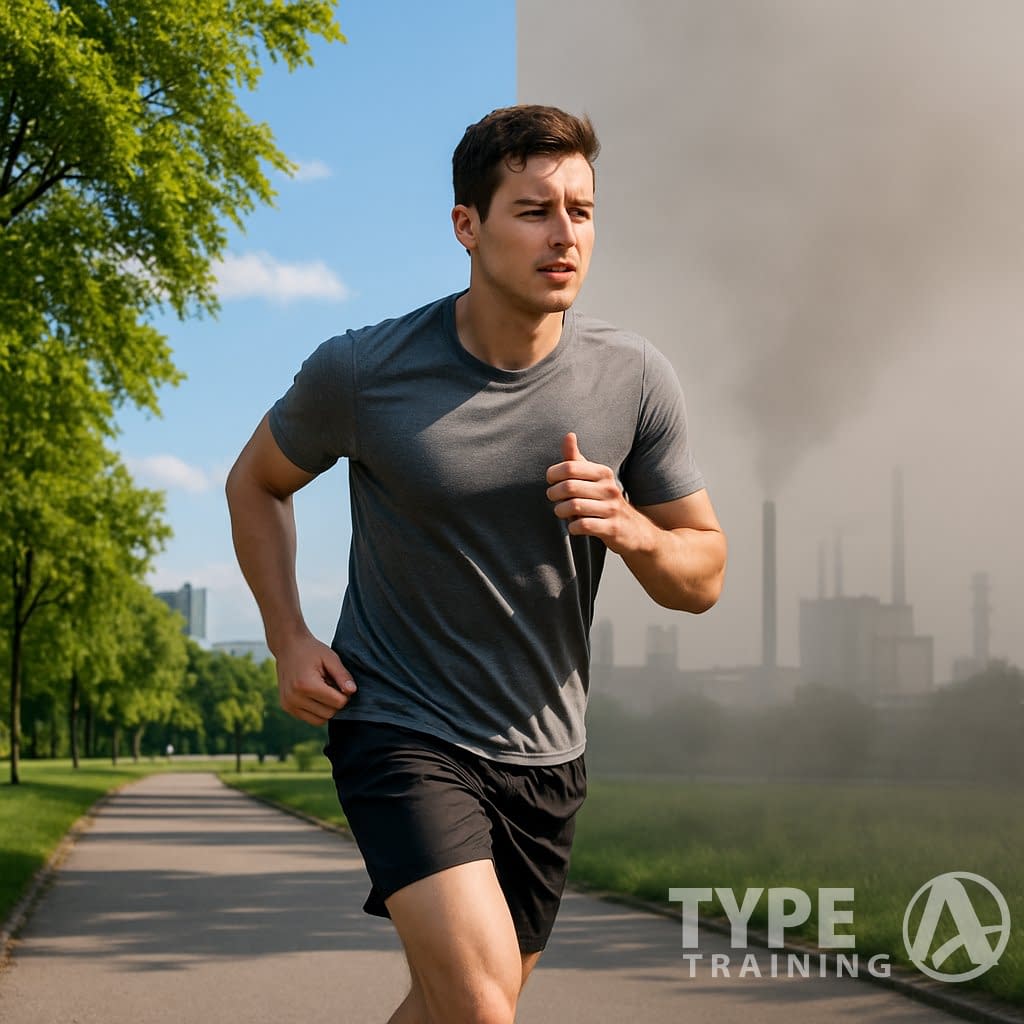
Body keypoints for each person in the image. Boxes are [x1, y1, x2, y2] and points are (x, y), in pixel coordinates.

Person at [225, 104, 726, 1024]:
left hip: (547, 751)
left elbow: (704, 574)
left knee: (453, 1006)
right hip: (400, 728)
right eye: (535, 210)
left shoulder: (635, 379)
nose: (565, 234)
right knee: (482, 1011)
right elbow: (255, 483)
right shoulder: (363, 372)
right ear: (468, 225)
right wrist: (288, 638)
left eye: (582, 209)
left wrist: (635, 530)